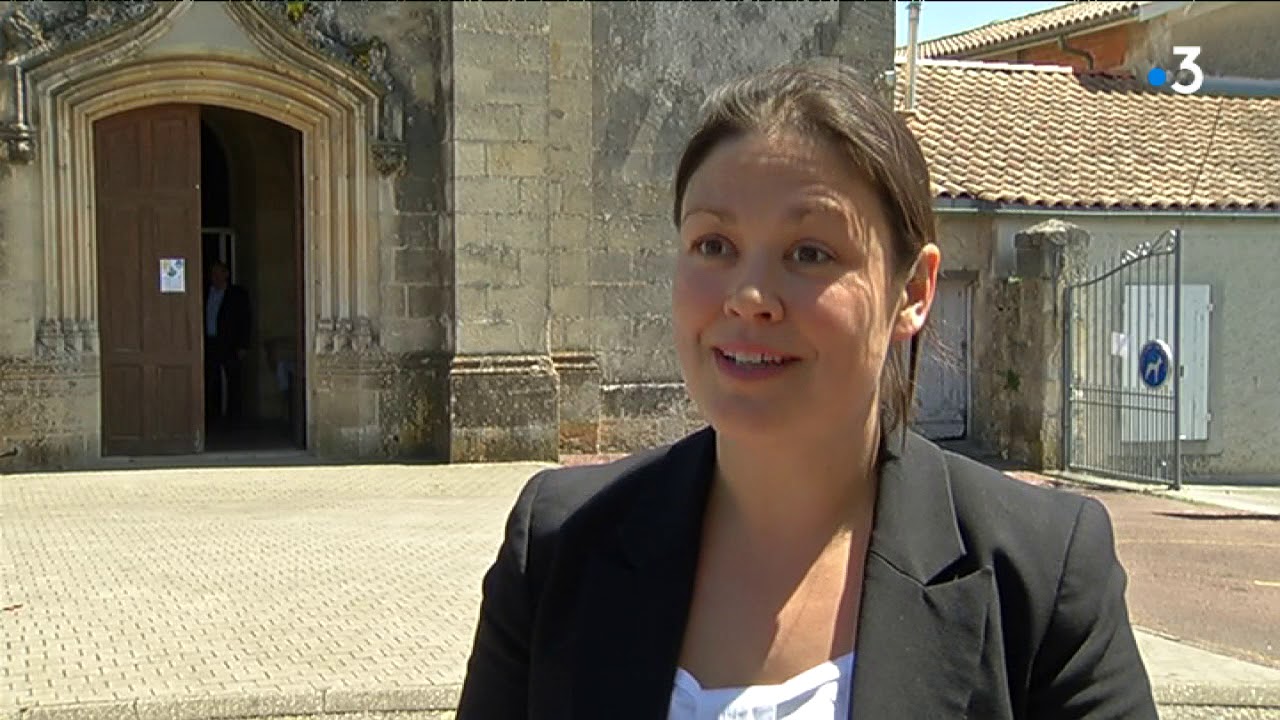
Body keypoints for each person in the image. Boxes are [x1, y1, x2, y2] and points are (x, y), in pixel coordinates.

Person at [457, 61, 1158, 719]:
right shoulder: (558, 544)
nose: (749, 297)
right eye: (713, 246)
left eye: (811, 253)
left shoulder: (1040, 571)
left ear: (912, 291)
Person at [204, 261, 251, 427]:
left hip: (230, 344)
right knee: (210, 380)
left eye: (218, 273)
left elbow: (246, 321)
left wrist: (243, 345)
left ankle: (234, 420)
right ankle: (211, 418)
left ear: (226, 274)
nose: (215, 277)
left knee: (234, 381)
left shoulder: (237, 295)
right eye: (212, 273)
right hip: (209, 342)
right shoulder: (204, 293)